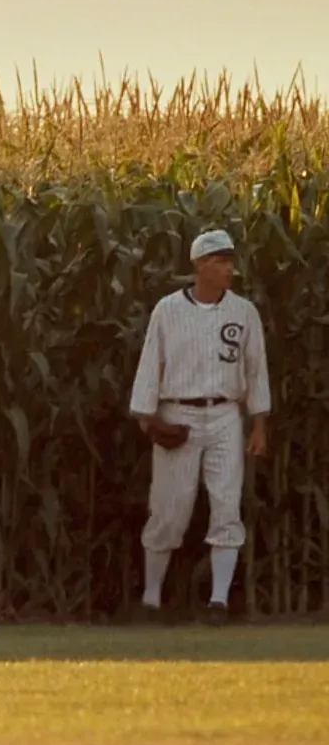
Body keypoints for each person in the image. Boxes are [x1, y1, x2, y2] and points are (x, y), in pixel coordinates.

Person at [129, 229, 271, 624]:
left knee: (226, 505)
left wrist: (259, 423)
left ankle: (218, 601)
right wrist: (146, 418)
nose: (229, 269)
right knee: (169, 509)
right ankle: (152, 600)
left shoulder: (244, 312)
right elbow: (150, 364)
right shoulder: (168, 310)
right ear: (200, 266)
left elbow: (256, 370)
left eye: (230, 261)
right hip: (178, 414)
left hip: (225, 414)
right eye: (221, 262)